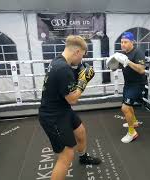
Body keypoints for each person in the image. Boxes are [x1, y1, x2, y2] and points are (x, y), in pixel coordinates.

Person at [39, 35, 101, 180]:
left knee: (80, 131)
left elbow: (64, 82)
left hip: (62, 109)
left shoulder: (58, 61)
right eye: (82, 56)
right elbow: (73, 99)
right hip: (53, 115)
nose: (81, 60)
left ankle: (83, 157)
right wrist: (83, 81)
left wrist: (78, 70)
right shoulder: (63, 69)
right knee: (66, 156)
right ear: (77, 52)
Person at [107, 32, 146, 143]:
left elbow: (141, 69)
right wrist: (112, 64)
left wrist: (128, 62)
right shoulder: (123, 54)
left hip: (137, 84)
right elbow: (115, 68)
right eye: (122, 42)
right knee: (128, 106)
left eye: (126, 42)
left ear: (132, 42)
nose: (123, 44)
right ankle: (134, 122)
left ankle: (132, 132)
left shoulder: (138, 52)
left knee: (125, 108)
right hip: (128, 84)